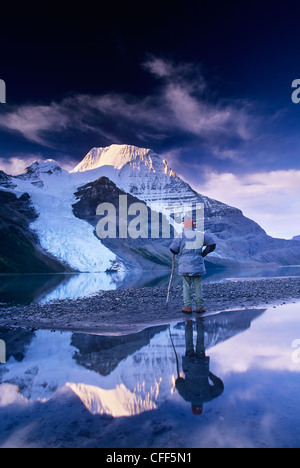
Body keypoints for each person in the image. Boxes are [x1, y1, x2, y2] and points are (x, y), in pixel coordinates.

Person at [175, 319, 224, 415]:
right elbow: (178, 383)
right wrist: (182, 379)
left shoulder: (209, 397)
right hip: (189, 366)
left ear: (202, 407)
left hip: (202, 365)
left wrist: (209, 374)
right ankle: (188, 322)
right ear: (192, 406)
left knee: (200, 342)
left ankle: (199, 322)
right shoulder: (187, 397)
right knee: (188, 344)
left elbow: (220, 388)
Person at [170, 219, 216, 314]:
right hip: (197, 263)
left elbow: (173, 249)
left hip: (185, 264)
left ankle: (188, 307)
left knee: (186, 285)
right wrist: (203, 254)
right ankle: (199, 307)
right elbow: (212, 244)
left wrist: (180, 252)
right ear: (193, 226)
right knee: (197, 285)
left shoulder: (180, 235)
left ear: (184, 227)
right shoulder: (200, 235)